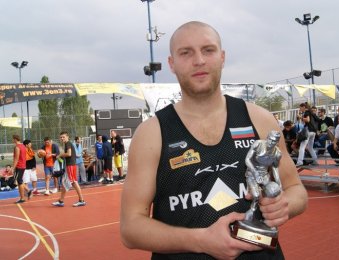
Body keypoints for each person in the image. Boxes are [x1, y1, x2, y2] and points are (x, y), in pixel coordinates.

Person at [120, 21, 307, 259]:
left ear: (222, 57)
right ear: (172, 64)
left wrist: (283, 206)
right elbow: (130, 228)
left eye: (208, 50)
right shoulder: (152, 134)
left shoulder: (260, 120)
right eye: (186, 53)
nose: (199, 60)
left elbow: (296, 190)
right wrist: (200, 241)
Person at [52, 131, 86, 207]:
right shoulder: (67, 144)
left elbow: (69, 154)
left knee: (73, 182)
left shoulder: (68, 143)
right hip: (70, 165)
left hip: (71, 165)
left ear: (67, 137)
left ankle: (81, 200)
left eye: (63, 137)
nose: (62, 138)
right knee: (65, 183)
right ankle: (61, 201)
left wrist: (60, 155)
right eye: (61, 137)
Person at [12, 134, 28, 203]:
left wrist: (13, 168)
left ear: (15, 139)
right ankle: (28, 191)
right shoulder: (23, 146)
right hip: (23, 165)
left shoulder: (17, 147)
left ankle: (22, 198)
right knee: (20, 181)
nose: (12, 140)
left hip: (19, 166)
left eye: (13, 139)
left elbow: (16, 159)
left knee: (19, 182)